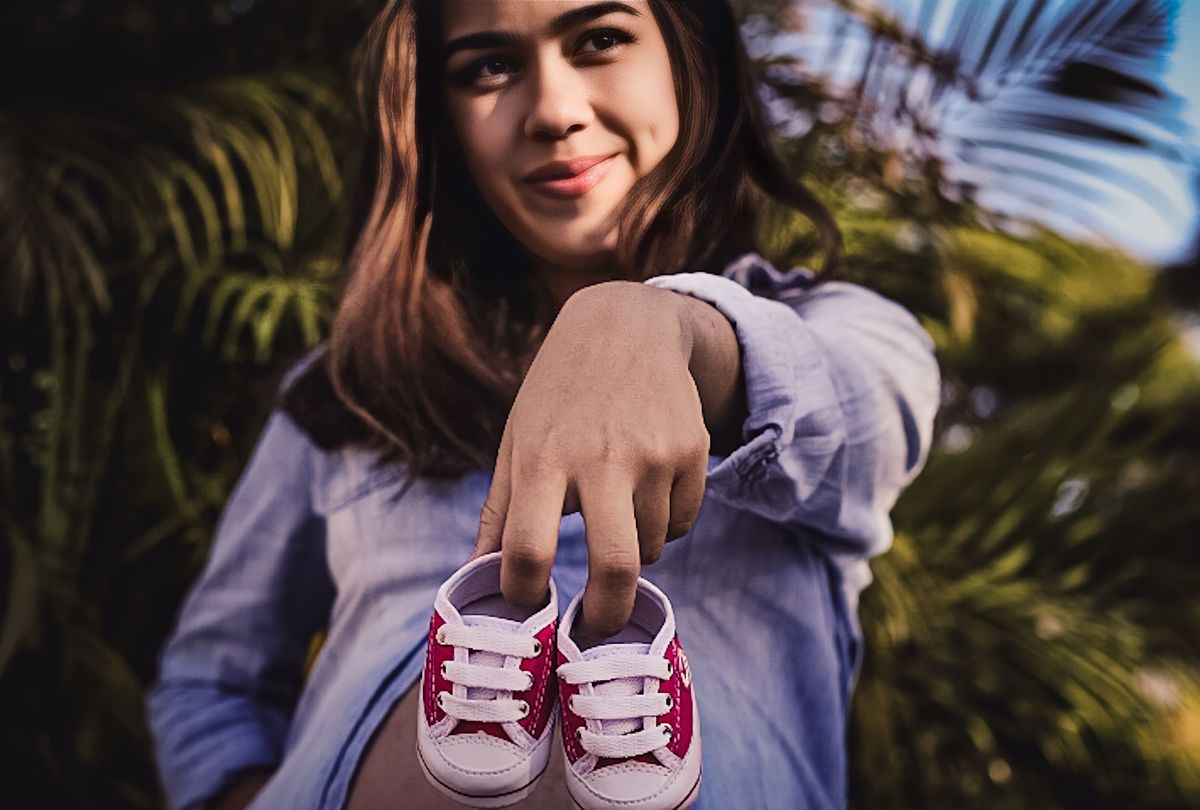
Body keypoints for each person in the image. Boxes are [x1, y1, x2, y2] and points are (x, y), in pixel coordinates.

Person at [146, 1, 942, 808]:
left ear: (690, 58)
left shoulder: (848, 333)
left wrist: (661, 327)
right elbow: (211, 682)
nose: (554, 113)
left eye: (601, 39)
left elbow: (862, 418)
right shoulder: (346, 390)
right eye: (489, 67)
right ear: (439, 116)